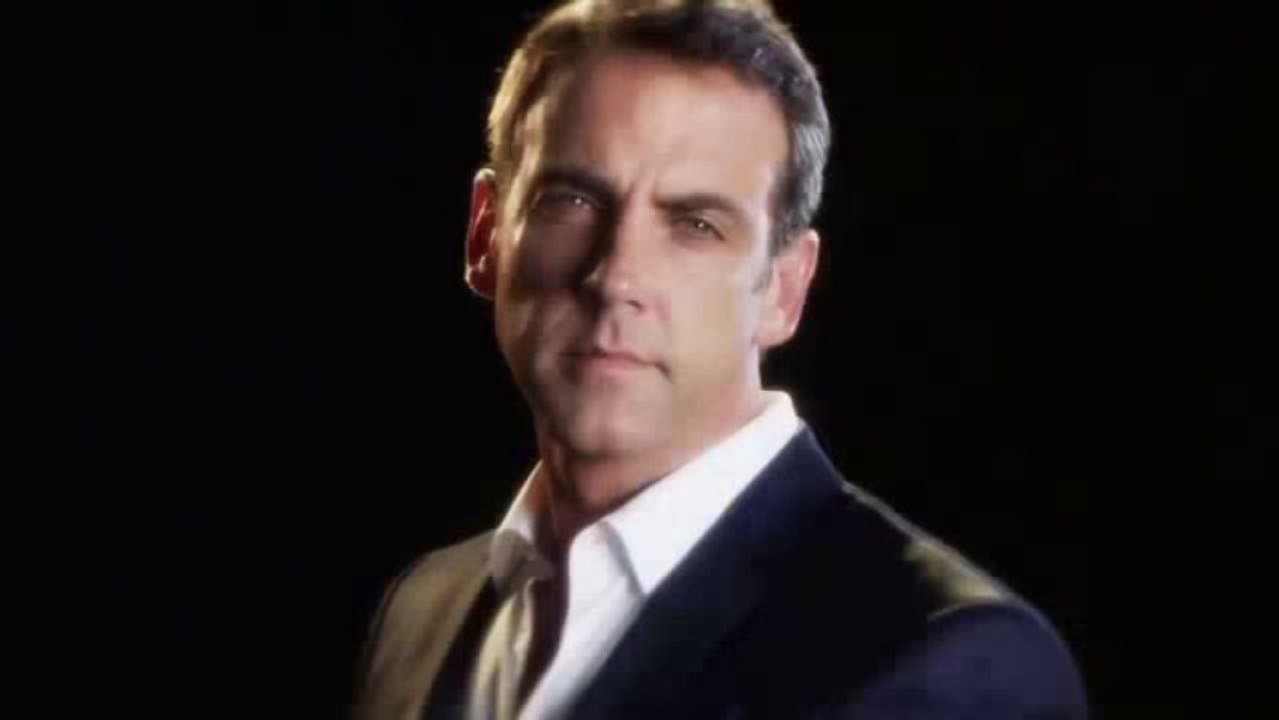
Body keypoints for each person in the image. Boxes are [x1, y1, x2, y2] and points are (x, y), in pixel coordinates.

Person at [351, 1, 1088, 718]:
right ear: (486, 235)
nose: (617, 275)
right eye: (572, 200)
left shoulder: (951, 661)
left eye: (696, 224)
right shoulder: (420, 612)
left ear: (785, 290)